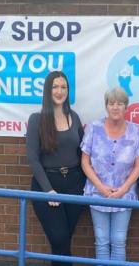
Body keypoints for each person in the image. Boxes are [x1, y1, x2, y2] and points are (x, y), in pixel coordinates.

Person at [25, 71, 86, 266]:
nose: (60, 91)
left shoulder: (74, 117)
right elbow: (33, 159)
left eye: (64, 87)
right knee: (59, 238)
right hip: (48, 186)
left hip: (75, 185)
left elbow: (84, 152)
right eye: (55, 87)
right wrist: (48, 191)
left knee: (65, 239)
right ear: (47, 90)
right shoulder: (37, 119)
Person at [80, 87, 139, 263]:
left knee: (119, 242)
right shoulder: (93, 128)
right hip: (97, 193)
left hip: (125, 194)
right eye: (111, 103)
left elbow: (138, 166)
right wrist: (100, 187)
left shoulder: (135, 131)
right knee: (101, 241)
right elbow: (85, 162)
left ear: (126, 107)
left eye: (120, 103)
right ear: (106, 106)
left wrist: (123, 189)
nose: (115, 107)